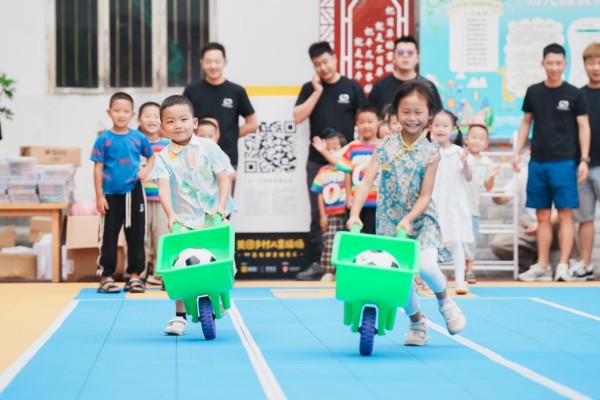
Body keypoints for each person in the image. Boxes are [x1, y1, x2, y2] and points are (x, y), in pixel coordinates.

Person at [347, 80, 466, 346]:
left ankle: (445, 300)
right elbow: (366, 182)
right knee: (400, 280)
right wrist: (355, 213)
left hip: (422, 221)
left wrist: (410, 219)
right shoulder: (385, 147)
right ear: (395, 114)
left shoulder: (431, 152)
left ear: (429, 115)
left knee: (425, 266)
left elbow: (426, 195)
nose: (412, 118)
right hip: (390, 223)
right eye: (406, 112)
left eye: (418, 112)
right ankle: (417, 323)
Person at [152, 95, 235, 336]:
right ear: (163, 127)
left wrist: (221, 206)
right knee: (179, 266)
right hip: (184, 220)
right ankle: (179, 316)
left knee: (220, 261)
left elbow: (223, 177)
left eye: (183, 119)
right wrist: (170, 215)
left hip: (212, 216)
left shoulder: (209, 147)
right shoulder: (163, 157)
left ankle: (219, 295)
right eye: (170, 121)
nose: (178, 125)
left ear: (195, 122)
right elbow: (164, 188)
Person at [513, 43, 591, 282]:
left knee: (566, 215)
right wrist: (517, 151)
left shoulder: (574, 93)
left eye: (559, 63)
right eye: (550, 63)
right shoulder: (534, 91)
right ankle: (543, 265)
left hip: (565, 163)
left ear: (565, 64)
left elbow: (583, 127)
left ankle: (563, 266)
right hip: (537, 162)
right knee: (542, 216)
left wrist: (584, 159)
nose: (554, 67)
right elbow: (527, 122)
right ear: (543, 63)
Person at [293, 41, 367, 280]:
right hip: (318, 163)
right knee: (319, 214)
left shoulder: (351, 87)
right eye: (317, 64)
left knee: (350, 210)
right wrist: (317, 92)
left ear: (334, 58)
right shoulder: (310, 87)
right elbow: (298, 117)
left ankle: (349, 262)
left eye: (326, 61)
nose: (323, 67)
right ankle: (318, 262)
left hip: (349, 164)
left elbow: (367, 120)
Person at [91, 92, 154, 294]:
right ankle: (106, 276)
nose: (121, 114)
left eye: (125, 111)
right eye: (117, 110)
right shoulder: (104, 140)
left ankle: (135, 277)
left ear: (132, 114)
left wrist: (145, 170)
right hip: (110, 194)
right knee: (108, 236)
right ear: (109, 112)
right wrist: (99, 196)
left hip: (134, 192)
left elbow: (151, 157)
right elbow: (98, 168)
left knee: (136, 236)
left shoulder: (138, 137)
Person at [183, 42, 258, 168]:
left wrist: (230, 136)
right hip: (195, 158)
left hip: (228, 157)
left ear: (225, 62)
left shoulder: (237, 91)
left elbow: (253, 123)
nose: (213, 66)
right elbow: (183, 120)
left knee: (226, 187)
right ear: (202, 63)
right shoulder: (191, 90)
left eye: (217, 61)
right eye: (208, 61)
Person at [430, 110, 473, 294]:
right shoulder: (428, 150)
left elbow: (468, 178)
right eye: (437, 125)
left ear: (453, 129)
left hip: (454, 203)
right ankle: (433, 281)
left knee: (456, 241)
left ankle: (461, 281)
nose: (440, 129)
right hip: (433, 201)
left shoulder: (458, 152)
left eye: (445, 126)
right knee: (430, 243)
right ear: (430, 127)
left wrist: (465, 163)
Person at [490, 162, 560, 273]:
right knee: (499, 244)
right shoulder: (523, 173)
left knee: (574, 224)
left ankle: (570, 266)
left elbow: (565, 211)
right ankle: (536, 265)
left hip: (554, 226)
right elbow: (502, 198)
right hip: (527, 226)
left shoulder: (560, 171)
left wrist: (542, 224)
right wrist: (492, 185)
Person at [571, 42, 600, 281]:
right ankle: (586, 265)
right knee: (585, 218)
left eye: (599, 62)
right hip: (583, 166)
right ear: (584, 65)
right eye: (591, 62)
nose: (596, 67)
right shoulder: (578, 95)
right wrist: (581, 160)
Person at [137, 102, 171, 286]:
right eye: (147, 116)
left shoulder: (168, 145)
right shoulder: (134, 142)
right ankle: (139, 275)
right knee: (141, 237)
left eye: (156, 116)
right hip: (138, 198)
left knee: (162, 237)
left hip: (162, 199)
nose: (152, 120)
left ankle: (164, 275)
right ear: (138, 119)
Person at [368, 36, 443, 114]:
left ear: (417, 58)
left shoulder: (428, 87)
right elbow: (371, 116)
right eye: (401, 53)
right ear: (393, 58)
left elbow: (437, 116)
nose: (405, 56)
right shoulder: (380, 86)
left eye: (410, 53)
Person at [462, 124, 499, 283]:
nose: (476, 141)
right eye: (473, 137)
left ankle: (469, 270)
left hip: (473, 208)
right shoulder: (461, 157)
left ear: (486, 143)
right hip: (457, 207)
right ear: (466, 139)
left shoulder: (488, 162)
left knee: (471, 240)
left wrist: (492, 176)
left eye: (481, 139)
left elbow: (489, 187)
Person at [337, 105, 381, 234]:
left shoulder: (383, 146)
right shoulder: (352, 147)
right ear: (356, 124)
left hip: (377, 202)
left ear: (378, 122)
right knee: (356, 235)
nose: (366, 126)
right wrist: (349, 195)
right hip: (356, 202)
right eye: (362, 122)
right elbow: (347, 171)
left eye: (370, 122)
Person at [310, 131, 347, 282]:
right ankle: (329, 271)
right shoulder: (323, 171)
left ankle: (343, 270)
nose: (332, 152)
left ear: (344, 149)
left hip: (345, 213)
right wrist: (323, 215)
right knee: (329, 243)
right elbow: (319, 193)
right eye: (329, 148)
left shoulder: (346, 169)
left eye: (335, 148)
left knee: (346, 242)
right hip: (330, 214)